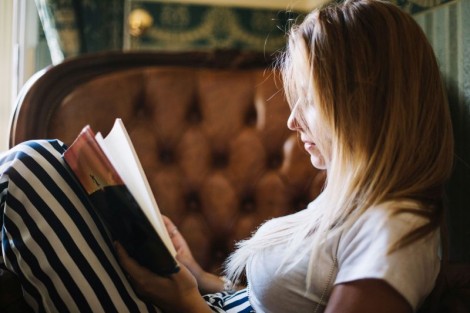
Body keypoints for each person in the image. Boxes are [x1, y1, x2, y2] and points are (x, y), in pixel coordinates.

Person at [0, 0, 453, 312]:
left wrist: (187, 304)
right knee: (52, 166)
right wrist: (192, 274)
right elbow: (264, 302)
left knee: (30, 167)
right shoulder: (352, 203)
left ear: (363, 102)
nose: (293, 123)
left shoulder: (397, 229)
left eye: (309, 100)